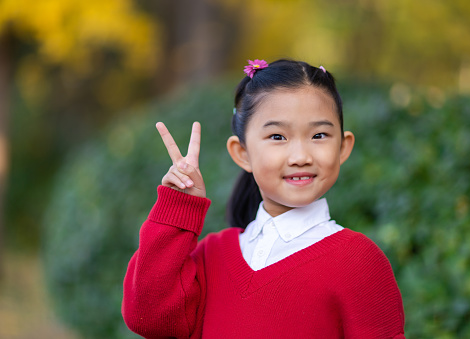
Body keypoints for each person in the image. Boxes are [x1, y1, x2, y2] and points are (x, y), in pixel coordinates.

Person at [122, 59, 406, 338]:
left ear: (343, 147)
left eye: (319, 135)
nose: (300, 157)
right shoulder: (212, 256)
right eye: (277, 137)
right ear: (242, 153)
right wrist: (180, 206)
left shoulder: (359, 262)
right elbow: (148, 317)